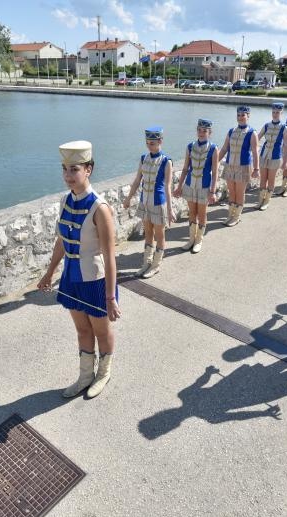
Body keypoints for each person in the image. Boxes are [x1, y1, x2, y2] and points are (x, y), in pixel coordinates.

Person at [38, 140, 121, 399]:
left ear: (89, 169)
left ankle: (103, 373)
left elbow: (109, 257)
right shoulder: (65, 201)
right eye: (64, 169)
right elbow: (61, 241)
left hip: (95, 281)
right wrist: (49, 272)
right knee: (82, 330)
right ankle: (85, 376)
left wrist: (110, 297)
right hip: (71, 278)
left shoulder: (100, 208)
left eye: (74, 169)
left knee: (101, 330)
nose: (67, 176)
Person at [123, 127, 174, 278]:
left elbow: (167, 186)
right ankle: (146, 263)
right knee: (148, 234)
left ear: (160, 141)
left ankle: (156, 265)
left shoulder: (166, 161)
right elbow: (137, 180)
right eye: (147, 143)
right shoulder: (143, 158)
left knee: (159, 235)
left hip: (158, 202)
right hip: (144, 202)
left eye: (152, 143)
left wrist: (170, 210)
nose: (149, 146)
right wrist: (128, 198)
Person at [173, 119, 219, 253]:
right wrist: (179, 186)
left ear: (210, 132)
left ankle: (199, 240)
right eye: (199, 130)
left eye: (204, 130)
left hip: (204, 186)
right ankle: (191, 239)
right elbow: (185, 168)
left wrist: (213, 191)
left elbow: (215, 172)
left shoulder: (213, 148)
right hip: (190, 185)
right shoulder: (189, 146)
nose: (201, 133)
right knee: (192, 213)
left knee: (202, 214)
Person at [218, 105, 260, 226]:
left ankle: (236, 217)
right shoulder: (231, 131)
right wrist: (215, 162)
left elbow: (255, 151)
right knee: (231, 192)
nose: (240, 117)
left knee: (239, 192)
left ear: (248, 116)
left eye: (243, 115)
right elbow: (225, 148)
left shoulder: (252, 133)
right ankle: (230, 215)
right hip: (230, 165)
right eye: (238, 115)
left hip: (243, 166)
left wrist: (256, 168)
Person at [256, 102, 287, 210]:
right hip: (263, 155)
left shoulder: (284, 127)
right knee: (262, 179)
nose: (275, 114)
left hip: (275, 156)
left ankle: (267, 201)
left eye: (277, 112)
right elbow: (257, 138)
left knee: (271, 179)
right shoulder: (266, 125)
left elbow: (286, 145)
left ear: (281, 113)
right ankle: (260, 200)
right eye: (273, 112)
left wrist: (285, 161)